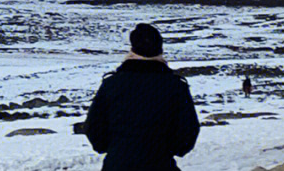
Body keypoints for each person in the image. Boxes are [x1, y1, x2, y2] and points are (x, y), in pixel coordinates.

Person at [85, 23, 200, 170]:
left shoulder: (111, 84)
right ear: (160, 50)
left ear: (132, 49)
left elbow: (94, 127)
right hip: (161, 164)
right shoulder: (175, 86)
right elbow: (188, 130)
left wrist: (114, 149)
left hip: (117, 164)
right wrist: (167, 150)